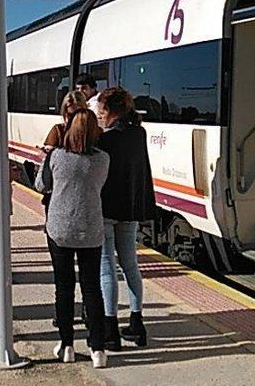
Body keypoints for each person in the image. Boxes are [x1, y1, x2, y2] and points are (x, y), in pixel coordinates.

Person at [36, 109, 109, 368]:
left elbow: (40, 185)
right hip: (91, 229)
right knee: (92, 288)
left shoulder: (56, 156)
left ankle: (66, 345)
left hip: (59, 229)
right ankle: (97, 349)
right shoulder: (103, 160)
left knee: (64, 287)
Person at [96, 86, 156, 350]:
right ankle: (136, 323)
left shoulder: (104, 140)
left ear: (111, 111)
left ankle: (110, 330)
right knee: (130, 264)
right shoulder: (139, 133)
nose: (98, 116)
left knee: (107, 266)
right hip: (130, 208)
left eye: (100, 111)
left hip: (106, 209)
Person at [40, 91, 89, 212]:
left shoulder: (93, 132)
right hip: (59, 193)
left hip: (85, 194)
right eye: (69, 115)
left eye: (76, 115)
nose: (72, 120)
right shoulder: (58, 130)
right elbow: (45, 160)